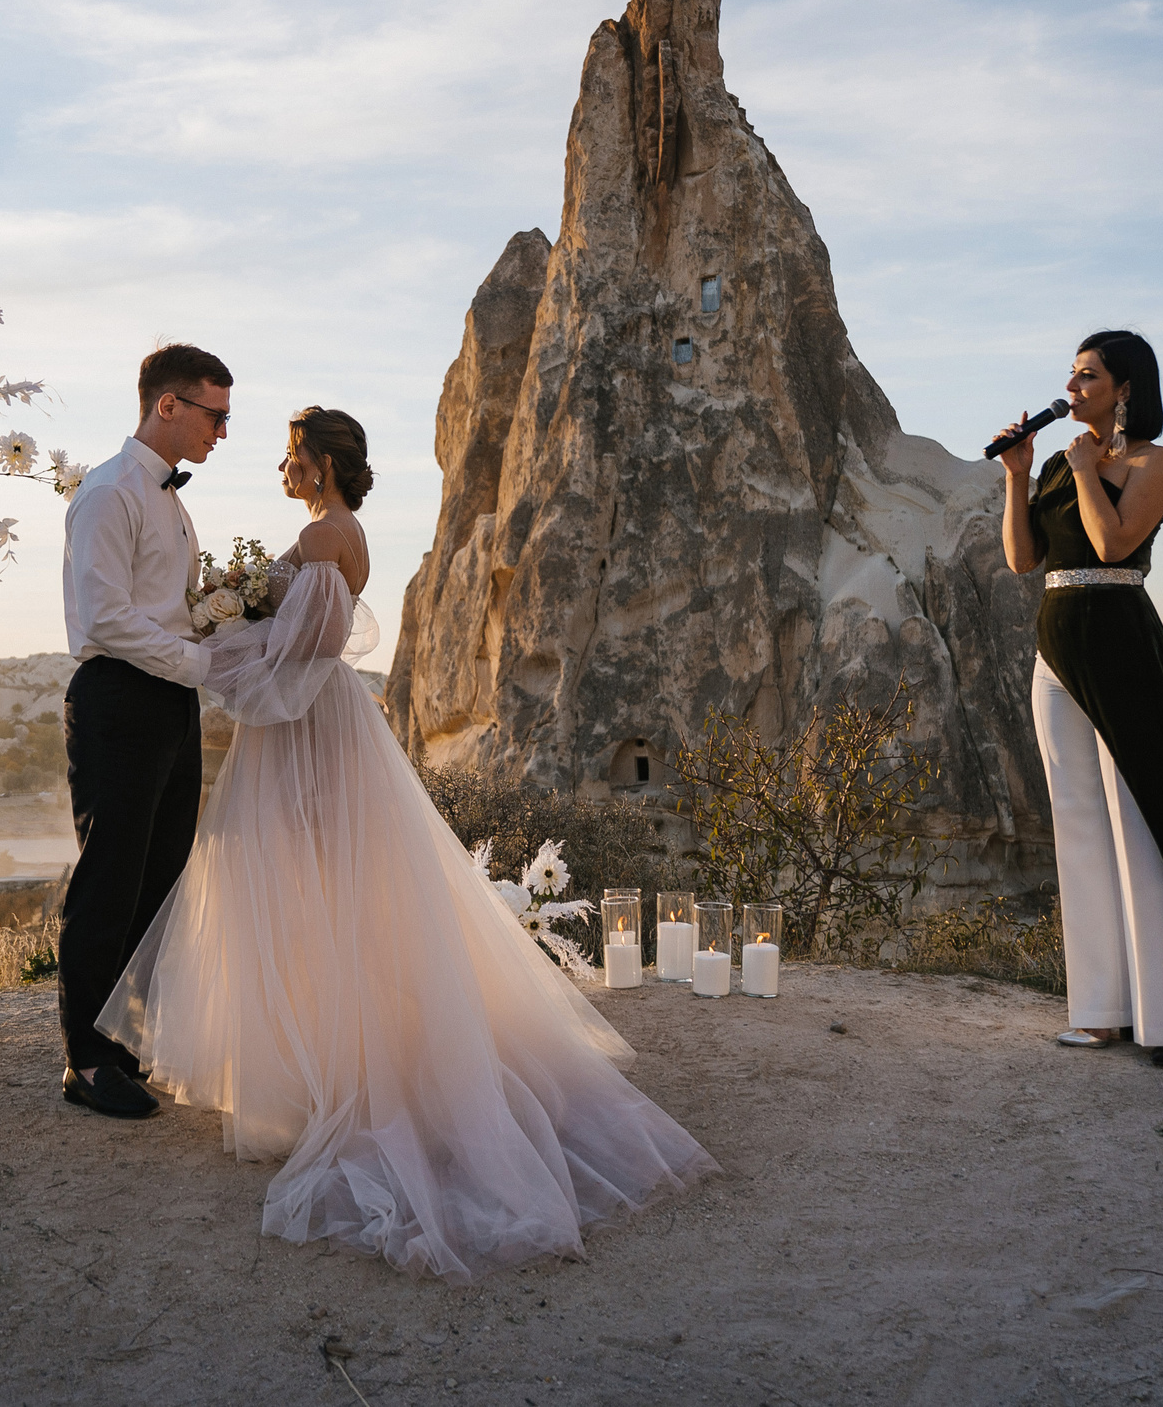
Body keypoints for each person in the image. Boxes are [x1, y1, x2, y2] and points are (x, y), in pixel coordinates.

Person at [99, 407, 716, 1280]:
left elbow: (305, 648)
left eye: (289, 455)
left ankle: (347, 1072)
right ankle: (322, 1063)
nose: (281, 465)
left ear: (318, 465)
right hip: (315, 724)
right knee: (308, 895)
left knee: (307, 893)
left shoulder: (325, 537)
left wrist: (225, 642)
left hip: (309, 728)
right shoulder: (334, 532)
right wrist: (233, 626)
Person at [995, 331, 1163, 1068]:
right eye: (1071, 375)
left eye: (1088, 376)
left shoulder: (1153, 462)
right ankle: (1099, 1012)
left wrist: (1087, 469)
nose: (1073, 388)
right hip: (1057, 652)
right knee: (1078, 827)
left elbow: (1112, 545)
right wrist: (1019, 475)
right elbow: (1023, 559)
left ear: (1125, 388)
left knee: (1137, 824)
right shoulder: (1054, 462)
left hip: (1121, 648)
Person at [55, 343, 233, 1119]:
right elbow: (106, 619)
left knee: (160, 879)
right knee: (110, 878)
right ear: (168, 404)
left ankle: (126, 1046)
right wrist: (198, 661)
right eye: (214, 414)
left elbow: (168, 609)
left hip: (170, 704)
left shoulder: (175, 503)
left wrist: (231, 623)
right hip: (119, 700)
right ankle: (86, 1063)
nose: (220, 431)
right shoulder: (107, 492)